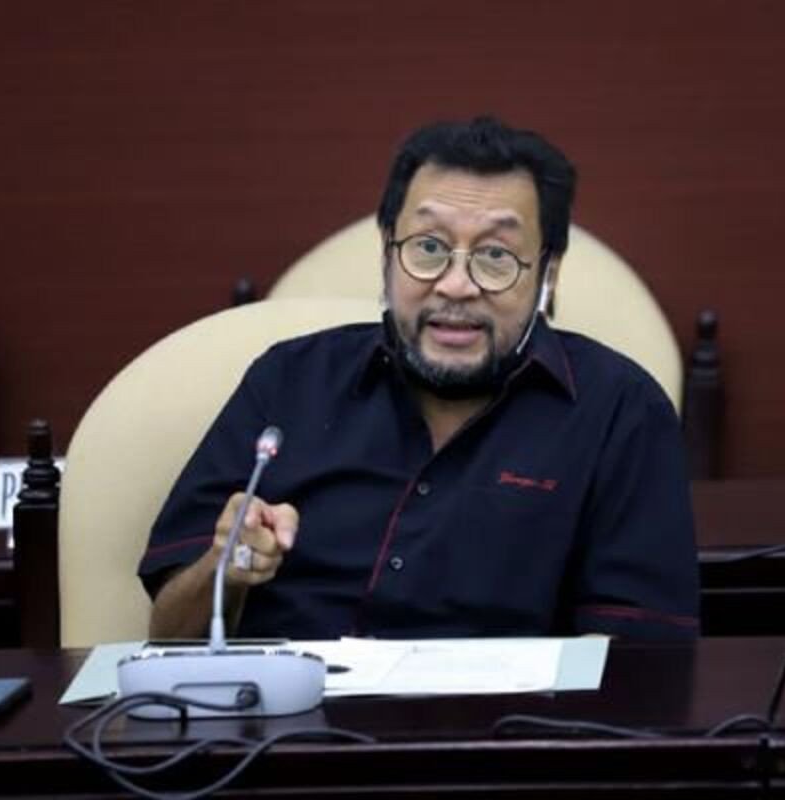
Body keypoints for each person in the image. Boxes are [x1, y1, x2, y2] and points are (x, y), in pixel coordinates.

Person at [139, 116, 699, 641]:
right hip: (288, 711)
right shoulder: (288, 381)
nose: (456, 285)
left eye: (496, 255)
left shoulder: (620, 412)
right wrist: (227, 569)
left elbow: (644, 662)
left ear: (547, 275)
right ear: (387, 253)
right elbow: (167, 635)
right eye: (429, 248)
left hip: (507, 714)